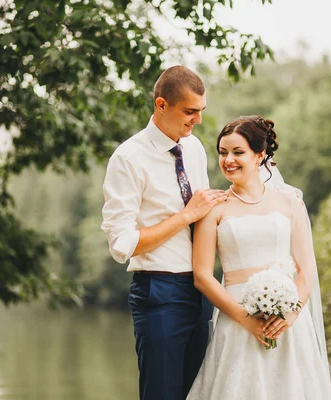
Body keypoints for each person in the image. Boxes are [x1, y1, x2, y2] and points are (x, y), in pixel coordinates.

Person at [187, 116, 331, 399]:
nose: (228, 160)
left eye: (237, 152)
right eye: (222, 153)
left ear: (260, 155)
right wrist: (246, 319)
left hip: (289, 325)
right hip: (236, 321)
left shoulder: (290, 203)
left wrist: (290, 314)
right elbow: (202, 277)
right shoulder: (214, 209)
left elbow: (307, 270)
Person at [101, 66, 228, 400]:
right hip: (159, 292)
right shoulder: (128, 158)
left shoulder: (195, 149)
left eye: (201, 111)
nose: (197, 120)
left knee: (199, 393)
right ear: (161, 104)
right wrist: (184, 215)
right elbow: (121, 243)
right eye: (189, 112)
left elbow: (203, 215)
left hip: (202, 290)